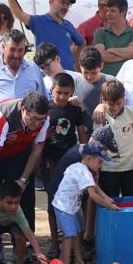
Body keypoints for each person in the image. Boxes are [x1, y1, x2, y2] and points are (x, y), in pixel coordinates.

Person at [0, 91, 50, 234]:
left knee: (20, 189)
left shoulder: (45, 120)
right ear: (23, 109)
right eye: (33, 118)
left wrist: (23, 179)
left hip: (15, 148)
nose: (37, 123)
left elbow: (36, 152)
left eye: (41, 119)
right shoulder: (2, 116)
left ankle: (22, 237)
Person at [46, 125, 118, 253]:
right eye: (105, 148)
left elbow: (92, 182)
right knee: (55, 213)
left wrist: (106, 197)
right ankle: (56, 246)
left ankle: (80, 248)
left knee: (76, 224)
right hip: (59, 188)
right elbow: (91, 191)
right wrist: (108, 204)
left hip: (76, 192)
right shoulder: (77, 155)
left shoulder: (92, 157)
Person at [43, 73, 87, 253]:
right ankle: (54, 241)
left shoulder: (76, 110)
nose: (61, 97)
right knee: (52, 201)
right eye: (58, 92)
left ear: (72, 93)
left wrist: (84, 159)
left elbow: (82, 135)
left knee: (73, 199)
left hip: (69, 160)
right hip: (49, 160)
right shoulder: (45, 108)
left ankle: (78, 239)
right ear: (51, 90)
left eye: (66, 93)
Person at [0, 29, 47, 123]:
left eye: (20, 50)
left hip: (26, 132)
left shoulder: (33, 68)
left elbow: (44, 100)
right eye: (12, 49)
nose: (16, 55)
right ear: (3, 47)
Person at [6, 0, 84, 71]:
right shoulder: (39, 22)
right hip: (46, 78)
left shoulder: (68, 25)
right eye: (62, 2)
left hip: (68, 77)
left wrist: (76, 61)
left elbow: (82, 42)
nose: (65, 7)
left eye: (68, 4)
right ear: (51, 0)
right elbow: (19, 14)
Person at [0, 182, 46, 264]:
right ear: (0, 199)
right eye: (9, 203)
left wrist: (38, 252)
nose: (13, 207)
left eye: (17, 203)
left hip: (13, 224)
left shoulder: (18, 214)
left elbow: (30, 234)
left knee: (20, 235)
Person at [96, 79, 133, 197]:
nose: (116, 107)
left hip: (130, 167)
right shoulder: (99, 115)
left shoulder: (131, 113)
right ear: (104, 100)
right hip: (108, 168)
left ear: (123, 98)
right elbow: (95, 142)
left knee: (131, 201)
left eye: (119, 103)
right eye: (111, 104)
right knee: (111, 202)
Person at [93, 0, 133, 76]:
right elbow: (100, 56)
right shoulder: (100, 32)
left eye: (112, 11)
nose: (108, 14)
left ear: (123, 13)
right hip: (106, 81)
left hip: (128, 79)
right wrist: (127, 52)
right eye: (107, 10)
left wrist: (110, 50)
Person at [77, 47, 115, 131]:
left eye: (94, 73)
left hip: (109, 132)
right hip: (83, 134)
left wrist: (104, 105)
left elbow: (121, 106)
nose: (89, 77)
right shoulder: (74, 83)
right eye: (85, 72)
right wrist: (69, 100)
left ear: (101, 65)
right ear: (80, 66)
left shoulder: (111, 81)